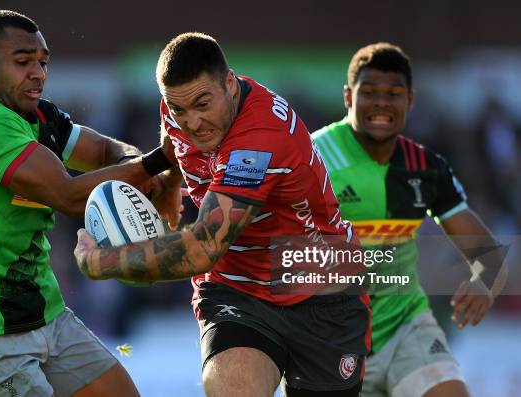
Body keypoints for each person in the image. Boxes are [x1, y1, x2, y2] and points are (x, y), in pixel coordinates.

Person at [73, 32, 371, 397]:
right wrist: (168, 185)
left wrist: (101, 263)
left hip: (322, 292)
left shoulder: (259, 138)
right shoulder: (177, 107)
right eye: (180, 109)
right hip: (237, 290)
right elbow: (174, 142)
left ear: (230, 84)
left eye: (202, 104)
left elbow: (202, 249)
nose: (192, 122)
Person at [0, 10, 178, 397]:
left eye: (43, 62)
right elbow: (67, 194)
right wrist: (157, 162)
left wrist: (147, 175)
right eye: (23, 61)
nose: (38, 73)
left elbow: (106, 151)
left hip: (46, 316)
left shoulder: (38, 115)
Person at [311, 43, 508, 397]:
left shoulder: (425, 168)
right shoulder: (313, 157)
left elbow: (487, 254)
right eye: (369, 93)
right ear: (347, 97)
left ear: (410, 101)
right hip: (327, 336)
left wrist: (483, 282)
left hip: (407, 328)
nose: (382, 103)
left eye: (394, 94)